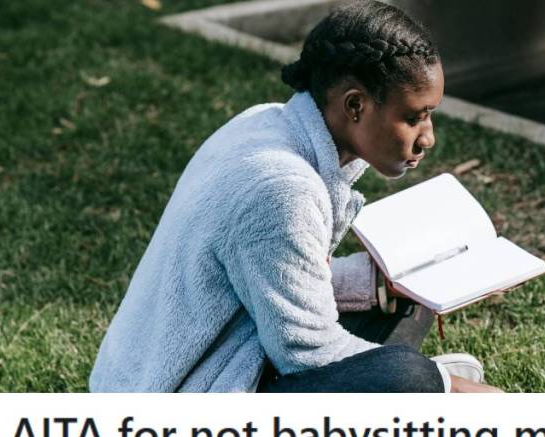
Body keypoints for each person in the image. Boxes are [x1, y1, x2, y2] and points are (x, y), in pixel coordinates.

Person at [89, 1, 502, 393]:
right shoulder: (283, 190)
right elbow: (307, 354)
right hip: (182, 400)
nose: (427, 137)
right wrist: (450, 389)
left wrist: (380, 283)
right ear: (355, 105)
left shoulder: (266, 122)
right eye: (414, 117)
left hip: (181, 365)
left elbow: (277, 276)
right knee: (410, 377)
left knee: (409, 287)